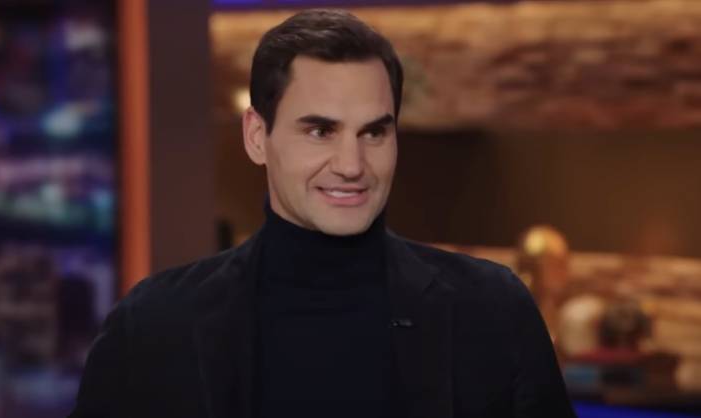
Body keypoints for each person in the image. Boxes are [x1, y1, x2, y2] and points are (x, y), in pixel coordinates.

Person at [69, 9, 576, 418]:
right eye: (320, 131)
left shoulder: (492, 311)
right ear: (257, 136)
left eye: (373, 132)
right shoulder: (154, 326)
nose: (352, 165)